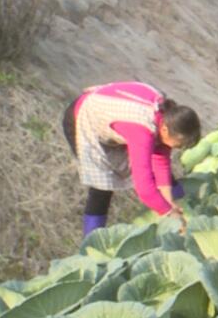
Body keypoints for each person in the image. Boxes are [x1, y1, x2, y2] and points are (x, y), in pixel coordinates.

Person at [62, 82, 200, 236]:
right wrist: (169, 213)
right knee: (102, 189)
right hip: (83, 118)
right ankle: (91, 241)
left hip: (114, 115)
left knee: (161, 174)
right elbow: (144, 189)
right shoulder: (142, 131)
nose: (179, 148)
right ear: (165, 129)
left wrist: (170, 203)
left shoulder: (167, 117)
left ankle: (182, 205)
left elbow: (161, 162)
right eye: (179, 144)